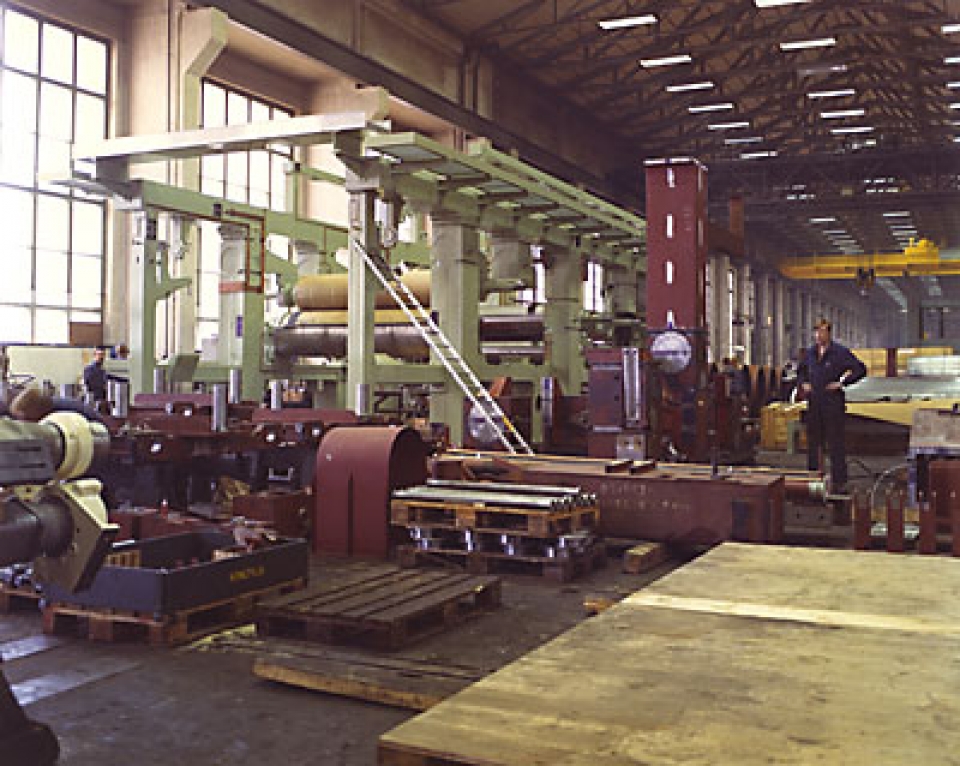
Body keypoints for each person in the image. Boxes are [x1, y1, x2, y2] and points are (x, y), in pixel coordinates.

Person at [797, 318, 866, 494]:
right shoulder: (810, 353)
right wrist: (804, 383)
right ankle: (813, 479)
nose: (818, 335)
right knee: (814, 443)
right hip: (814, 404)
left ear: (828, 333)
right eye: (816, 332)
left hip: (832, 403)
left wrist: (842, 383)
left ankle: (839, 482)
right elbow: (801, 371)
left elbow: (860, 369)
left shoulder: (839, 353)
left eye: (822, 331)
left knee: (836, 444)